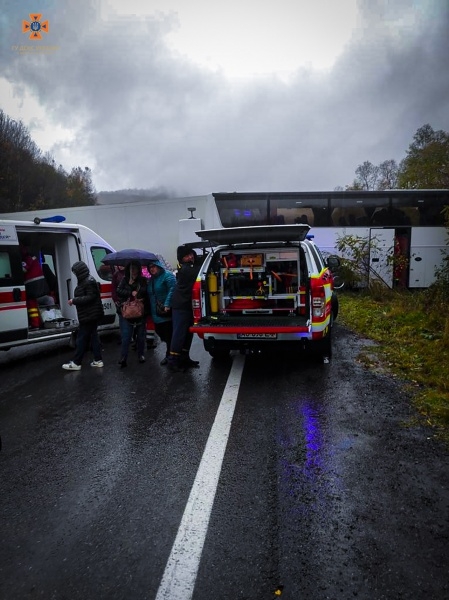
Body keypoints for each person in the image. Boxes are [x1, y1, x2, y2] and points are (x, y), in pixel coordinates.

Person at [62, 261, 105, 371]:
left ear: (80, 271)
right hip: (91, 314)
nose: (75, 274)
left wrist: (74, 300)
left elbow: (90, 297)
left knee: (81, 338)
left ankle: (77, 362)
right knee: (94, 337)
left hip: (89, 315)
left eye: (75, 272)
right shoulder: (87, 280)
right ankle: (98, 360)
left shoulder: (88, 282)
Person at [167, 245, 201, 372]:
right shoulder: (186, 269)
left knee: (187, 333)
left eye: (191, 254)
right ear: (182, 258)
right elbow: (199, 271)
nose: (191, 256)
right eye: (187, 255)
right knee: (179, 333)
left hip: (187, 305)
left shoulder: (188, 267)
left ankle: (184, 358)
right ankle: (173, 360)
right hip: (181, 305)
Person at [116, 261, 149, 367]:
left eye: (135, 268)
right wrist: (130, 291)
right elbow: (118, 291)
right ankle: (123, 357)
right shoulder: (125, 280)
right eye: (131, 269)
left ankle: (141, 354)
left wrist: (138, 292)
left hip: (140, 311)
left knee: (140, 335)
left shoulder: (143, 280)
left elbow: (146, 291)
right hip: (127, 311)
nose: (133, 271)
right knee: (126, 336)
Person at [147, 259, 176, 365]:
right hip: (155, 312)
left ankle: (170, 355)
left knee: (168, 335)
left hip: (165, 311)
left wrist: (167, 304)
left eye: (154, 266)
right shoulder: (151, 280)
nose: (152, 269)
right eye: (150, 267)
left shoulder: (167, 275)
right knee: (160, 333)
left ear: (159, 266)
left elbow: (173, 289)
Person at [20, 245, 55, 328]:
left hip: (33, 290)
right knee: (49, 300)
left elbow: (23, 270)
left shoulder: (27, 259)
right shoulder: (33, 258)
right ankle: (52, 321)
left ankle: (36, 325)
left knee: (32, 306)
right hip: (41, 289)